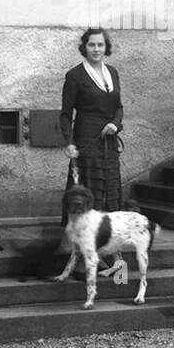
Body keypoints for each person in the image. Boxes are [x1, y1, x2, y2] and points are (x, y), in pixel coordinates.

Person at [60, 27, 124, 213]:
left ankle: (108, 236)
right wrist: (70, 143)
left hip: (109, 143)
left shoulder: (112, 72)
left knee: (111, 189)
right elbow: (65, 115)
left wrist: (115, 124)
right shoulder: (75, 76)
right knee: (87, 191)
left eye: (100, 45)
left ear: (106, 47)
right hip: (87, 142)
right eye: (92, 45)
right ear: (85, 48)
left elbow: (118, 107)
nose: (96, 49)